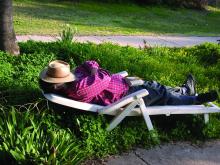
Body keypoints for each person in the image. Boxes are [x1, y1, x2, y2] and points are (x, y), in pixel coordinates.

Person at [39, 60, 219, 106]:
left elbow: (90, 63)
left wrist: (93, 70)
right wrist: (94, 71)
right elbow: (103, 75)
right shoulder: (79, 88)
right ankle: (193, 99)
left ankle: (184, 90)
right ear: (58, 84)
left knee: (157, 86)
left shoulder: (75, 81)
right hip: (127, 96)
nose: (72, 73)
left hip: (126, 85)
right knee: (161, 93)